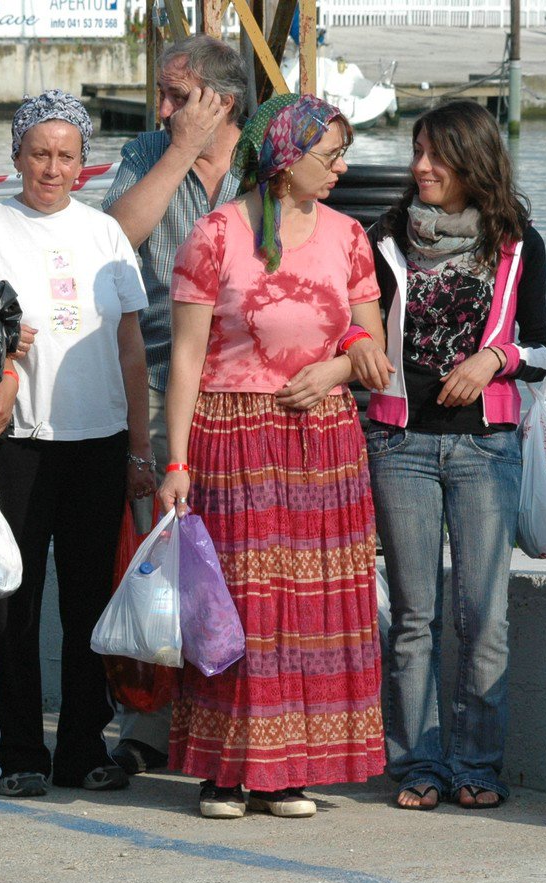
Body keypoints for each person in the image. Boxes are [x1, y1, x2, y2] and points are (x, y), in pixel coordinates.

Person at [156, 93, 390, 820]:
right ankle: (226, 771)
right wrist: (174, 461)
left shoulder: (351, 236)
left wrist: (339, 368)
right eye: (332, 156)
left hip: (322, 437)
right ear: (286, 159)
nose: (342, 169)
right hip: (232, 437)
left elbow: (372, 344)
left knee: (311, 610)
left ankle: (289, 770)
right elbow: (187, 360)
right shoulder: (215, 234)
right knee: (242, 609)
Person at [0, 91, 152, 797]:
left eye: (66, 155)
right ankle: (15, 750)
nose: (52, 166)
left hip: (98, 444)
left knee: (88, 602)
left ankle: (80, 747)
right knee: (12, 599)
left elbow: (132, 348)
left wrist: (141, 441)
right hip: (18, 445)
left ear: (83, 163)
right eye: (39, 152)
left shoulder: (104, 235)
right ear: (16, 156)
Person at [365, 100, 546, 813]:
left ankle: (477, 763)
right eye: (417, 152)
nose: (421, 167)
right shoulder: (385, 237)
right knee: (416, 616)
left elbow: (541, 348)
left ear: (473, 161)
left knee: (484, 614)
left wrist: (492, 359)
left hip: (485, 447)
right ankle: (417, 764)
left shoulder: (516, 243)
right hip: (398, 442)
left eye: (437, 155)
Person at [101, 34, 248, 777]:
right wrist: (176, 148)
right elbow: (117, 236)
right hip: (162, 373)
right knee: (162, 548)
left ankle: (230, 715)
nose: (163, 108)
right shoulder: (146, 152)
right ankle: (149, 722)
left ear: (224, 100)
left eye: (179, 96)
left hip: (250, 377)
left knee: (240, 551)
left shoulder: (263, 159)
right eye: (161, 94)